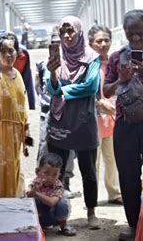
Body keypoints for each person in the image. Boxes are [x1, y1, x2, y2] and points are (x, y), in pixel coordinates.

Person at [103, 10, 143, 240]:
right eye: (131, 35)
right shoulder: (116, 57)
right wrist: (122, 79)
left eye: (140, 34)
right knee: (128, 175)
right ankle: (135, 225)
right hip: (125, 122)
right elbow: (106, 91)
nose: (136, 40)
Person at [46, 16, 101, 229]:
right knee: (55, 171)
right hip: (60, 122)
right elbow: (49, 89)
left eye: (71, 31)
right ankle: (58, 215)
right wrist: (52, 73)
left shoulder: (92, 57)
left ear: (79, 32)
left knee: (88, 170)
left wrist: (62, 90)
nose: (67, 36)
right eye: (63, 32)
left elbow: (90, 87)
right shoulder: (55, 59)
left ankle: (91, 212)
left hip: (84, 121)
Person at [88, 25, 122, 205]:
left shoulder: (116, 62)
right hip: (93, 117)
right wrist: (98, 104)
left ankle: (114, 192)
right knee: (94, 160)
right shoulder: (87, 65)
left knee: (113, 157)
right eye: (98, 41)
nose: (103, 44)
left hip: (115, 116)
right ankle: (92, 198)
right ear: (91, 43)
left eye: (106, 40)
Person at [0, 35, 30, 198]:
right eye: (3, 51)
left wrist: (26, 136)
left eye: (11, 50)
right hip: (0, 132)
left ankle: (14, 203)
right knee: (1, 171)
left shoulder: (18, 75)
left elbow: (24, 108)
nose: (8, 55)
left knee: (15, 168)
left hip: (17, 134)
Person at [27, 153, 76, 237]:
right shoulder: (34, 183)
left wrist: (37, 193)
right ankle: (39, 227)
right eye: (46, 173)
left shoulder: (58, 185)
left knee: (62, 203)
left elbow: (51, 202)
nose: (50, 177)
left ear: (59, 175)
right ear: (38, 172)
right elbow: (28, 197)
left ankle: (63, 226)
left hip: (54, 217)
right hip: (41, 217)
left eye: (54, 175)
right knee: (33, 201)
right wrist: (34, 190)